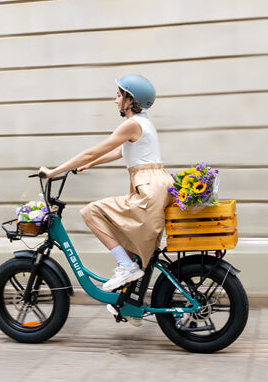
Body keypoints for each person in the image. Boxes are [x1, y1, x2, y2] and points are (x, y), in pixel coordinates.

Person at [38, 74, 173, 297]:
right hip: (155, 186)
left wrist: (53, 171)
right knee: (124, 234)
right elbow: (121, 151)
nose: (116, 100)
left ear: (130, 99)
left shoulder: (131, 124)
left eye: (119, 95)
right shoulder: (144, 123)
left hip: (149, 190)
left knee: (92, 212)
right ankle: (129, 306)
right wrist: (91, 163)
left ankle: (127, 267)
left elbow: (93, 150)